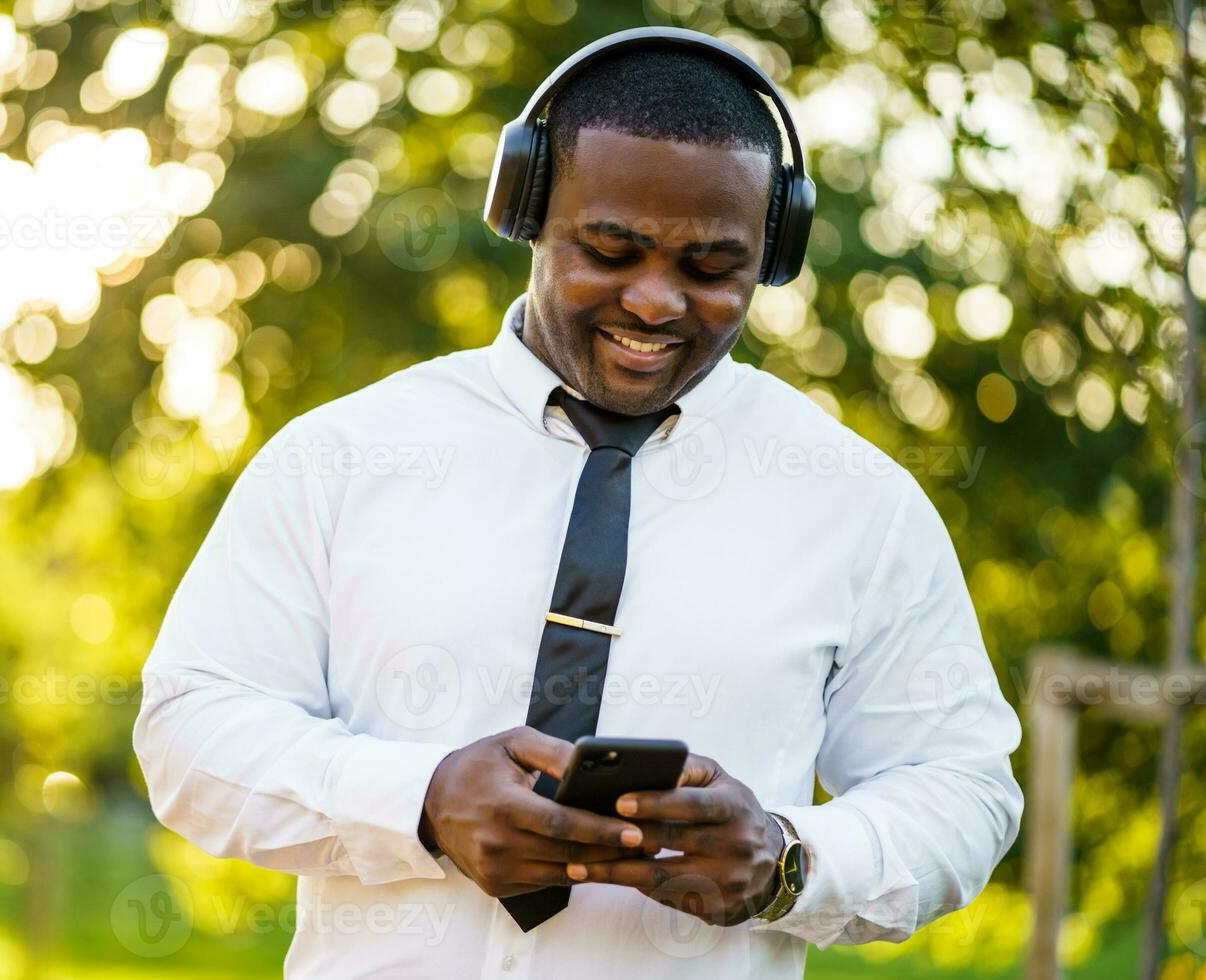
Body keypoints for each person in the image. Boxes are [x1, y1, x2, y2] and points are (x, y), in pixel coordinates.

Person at [134, 29, 1023, 979]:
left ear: (771, 253)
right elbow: (192, 726)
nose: (654, 302)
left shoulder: (859, 505)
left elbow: (964, 789)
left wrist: (790, 861)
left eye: (712, 270)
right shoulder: (338, 459)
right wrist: (419, 800)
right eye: (609, 250)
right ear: (526, 210)